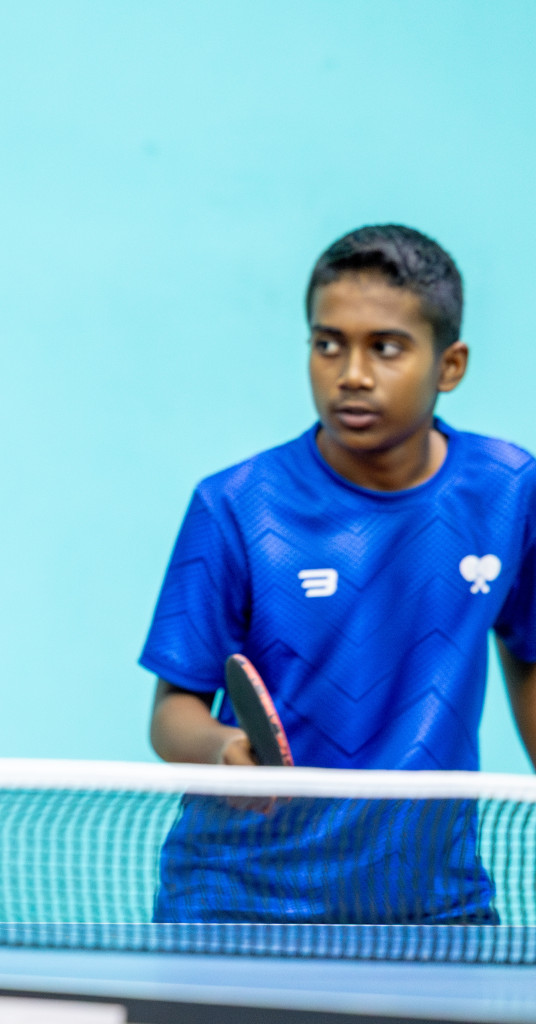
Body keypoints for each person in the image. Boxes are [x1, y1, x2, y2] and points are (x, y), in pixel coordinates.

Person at [140, 224, 536, 923]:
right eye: (328, 344)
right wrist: (225, 750)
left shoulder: (507, 491)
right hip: (240, 905)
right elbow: (174, 711)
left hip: (431, 907)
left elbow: (530, 662)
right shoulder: (236, 505)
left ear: (450, 365)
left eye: (385, 347)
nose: (351, 373)